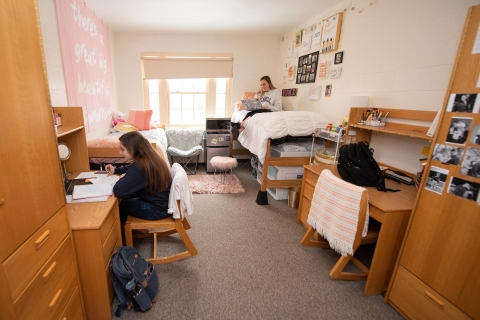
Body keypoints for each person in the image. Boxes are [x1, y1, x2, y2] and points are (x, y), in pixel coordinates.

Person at [106, 131, 172, 229]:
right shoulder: (150, 158)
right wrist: (116, 170)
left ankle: (127, 234)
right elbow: (131, 168)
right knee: (127, 197)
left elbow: (119, 191)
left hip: (157, 209)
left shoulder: (140, 167)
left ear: (133, 149)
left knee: (119, 206)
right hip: (163, 203)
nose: (120, 152)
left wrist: (122, 178)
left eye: (122, 149)